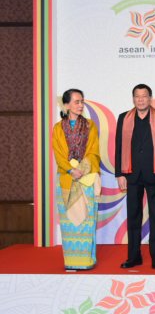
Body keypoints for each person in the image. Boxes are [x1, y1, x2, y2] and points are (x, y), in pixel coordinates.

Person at [114, 84, 155, 270]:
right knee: (133, 217)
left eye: (144, 96)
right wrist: (120, 173)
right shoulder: (124, 118)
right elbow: (119, 146)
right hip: (131, 174)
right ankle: (134, 256)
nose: (141, 99)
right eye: (137, 96)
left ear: (150, 98)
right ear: (133, 99)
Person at [52, 88, 101, 270]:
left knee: (87, 221)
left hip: (86, 179)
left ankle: (86, 261)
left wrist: (81, 169)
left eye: (82, 101)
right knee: (69, 223)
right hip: (66, 179)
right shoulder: (57, 128)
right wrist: (71, 170)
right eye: (76, 102)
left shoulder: (90, 125)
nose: (80, 105)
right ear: (66, 105)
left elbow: (94, 151)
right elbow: (58, 154)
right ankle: (71, 261)